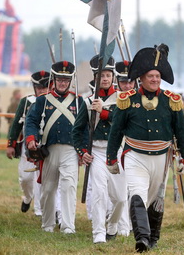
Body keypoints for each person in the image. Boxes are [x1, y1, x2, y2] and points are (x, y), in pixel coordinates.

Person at [106, 44, 184, 252]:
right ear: (141, 78)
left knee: (155, 199)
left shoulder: (172, 101)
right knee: (137, 194)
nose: (155, 80)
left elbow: (182, 131)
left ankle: (153, 237)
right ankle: (141, 239)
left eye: (157, 76)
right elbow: (116, 131)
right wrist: (111, 158)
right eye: (151, 76)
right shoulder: (127, 100)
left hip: (161, 157)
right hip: (135, 155)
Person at [72, 55, 127, 244]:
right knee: (99, 194)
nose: (105, 79)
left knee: (120, 198)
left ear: (113, 76)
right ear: (95, 78)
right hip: (96, 152)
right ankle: (98, 233)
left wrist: (103, 111)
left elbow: (122, 123)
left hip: (116, 152)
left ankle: (112, 225)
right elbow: (77, 131)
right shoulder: (88, 102)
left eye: (108, 75)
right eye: (101, 75)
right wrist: (82, 152)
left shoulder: (122, 99)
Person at [25, 61, 82, 234]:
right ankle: (48, 224)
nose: (63, 83)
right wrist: (31, 139)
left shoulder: (78, 102)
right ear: (54, 80)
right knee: (48, 188)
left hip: (70, 150)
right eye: (59, 79)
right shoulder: (42, 101)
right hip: (49, 151)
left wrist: (83, 150)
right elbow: (31, 121)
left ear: (70, 80)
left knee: (69, 187)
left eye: (66, 79)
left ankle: (67, 225)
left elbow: (84, 128)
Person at [6, 71, 49, 215]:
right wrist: (11, 145)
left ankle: (40, 210)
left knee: (41, 178)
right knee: (25, 178)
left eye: (45, 87)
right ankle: (28, 197)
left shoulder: (53, 102)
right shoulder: (26, 102)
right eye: (39, 88)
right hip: (28, 146)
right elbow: (16, 125)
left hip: (46, 147)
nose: (42, 90)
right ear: (35, 88)